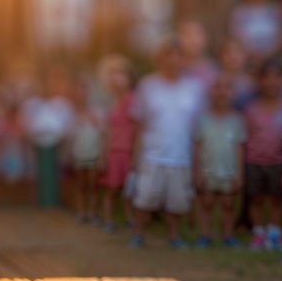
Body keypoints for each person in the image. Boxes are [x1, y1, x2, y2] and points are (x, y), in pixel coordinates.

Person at [130, 40, 205, 249]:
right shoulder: (147, 85)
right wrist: (135, 159)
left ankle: (174, 236)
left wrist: (198, 160)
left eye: (178, 55)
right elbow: (139, 123)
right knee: (145, 198)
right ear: (160, 59)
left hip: (181, 154)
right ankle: (138, 234)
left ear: (184, 60)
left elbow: (198, 126)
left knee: (177, 201)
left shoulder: (194, 87)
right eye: (168, 55)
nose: (173, 60)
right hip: (151, 153)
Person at [194, 75, 245, 247]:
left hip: (228, 171)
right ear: (211, 93)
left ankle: (228, 236)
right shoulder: (203, 119)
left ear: (232, 94)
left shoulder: (237, 120)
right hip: (208, 170)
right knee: (206, 204)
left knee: (228, 204)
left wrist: (239, 174)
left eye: (226, 88)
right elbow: (198, 147)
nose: (221, 93)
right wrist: (197, 173)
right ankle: (205, 235)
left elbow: (239, 149)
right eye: (217, 88)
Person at [244, 60, 282, 251]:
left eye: (276, 77)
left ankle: (275, 232)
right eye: (267, 77)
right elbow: (245, 137)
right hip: (254, 161)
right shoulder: (251, 109)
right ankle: (259, 232)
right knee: (256, 199)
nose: (271, 82)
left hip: (278, 161)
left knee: (277, 199)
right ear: (259, 81)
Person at [19, 69, 76, 207]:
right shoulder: (36, 103)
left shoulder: (64, 104)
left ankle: (56, 201)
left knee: (58, 173)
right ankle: (44, 200)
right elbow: (30, 123)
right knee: (42, 174)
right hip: (40, 142)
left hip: (59, 143)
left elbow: (67, 124)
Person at [98, 55, 136, 232]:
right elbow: (106, 132)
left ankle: (131, 219)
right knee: (111, 189)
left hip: (129, 151)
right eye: (113, 74)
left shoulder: (134, 100)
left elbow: (138, 129)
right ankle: (108, 220)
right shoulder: (110, 102)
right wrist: (104, 155)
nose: (116, 78)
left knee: (130, 190)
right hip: (114, 152)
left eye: (120, 73)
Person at [230, 0, 282, 66]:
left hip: (273, 61)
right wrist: (253, 55)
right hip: (247, 61)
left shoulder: (276, 10)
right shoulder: (239, 12)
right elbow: (237, 36)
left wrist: (267, 55)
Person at [69, 78, 104, 223]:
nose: (81, 94)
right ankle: (81, 212)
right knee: (81, 185)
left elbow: (102, 132)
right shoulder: (72, 112)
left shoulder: (96, 111)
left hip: (94, 152)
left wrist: (103, 154)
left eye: (83, 91)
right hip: (79, 153)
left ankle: (93, 213)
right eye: (78, 92)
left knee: (93, 185)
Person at [179, 19, 218, 92]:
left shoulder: (215, 70)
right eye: (187, 34)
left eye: (197, 34)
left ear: (206, 38)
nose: (192, 40)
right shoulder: (175, 69)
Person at [218, 39, 256, 110]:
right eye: (228, 52)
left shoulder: (251, 83)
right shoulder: (215, 81)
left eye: (237, 52)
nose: (232, 56)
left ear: (244, 55)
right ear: (221, 56)